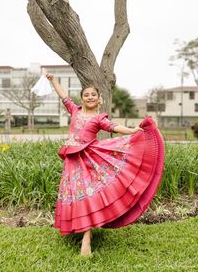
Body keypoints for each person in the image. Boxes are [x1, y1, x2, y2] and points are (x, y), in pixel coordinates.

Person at [46, 73, 165, 257]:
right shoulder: (75, 110)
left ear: (99, 99)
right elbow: (63, 96)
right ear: (82, 98)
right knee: (76, 194)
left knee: (88, 194)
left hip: (90, 159)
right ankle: (82, 229)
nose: (90, 97)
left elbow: (116, 128)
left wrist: (133, 130)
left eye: (93, 94)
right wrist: (53, 80)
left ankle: (86, 238)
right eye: (86, 95)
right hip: (72, 161)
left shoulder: (100, 118)